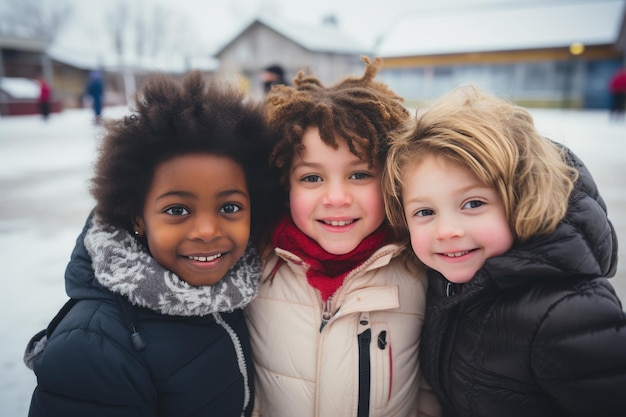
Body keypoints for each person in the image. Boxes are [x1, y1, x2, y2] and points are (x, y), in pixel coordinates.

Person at [24, 70, 282, 417]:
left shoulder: (241, 289)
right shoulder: (95, 346)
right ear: (136, 216)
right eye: (177, 210)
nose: (207, 231)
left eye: (230, 207)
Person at [383, 85, 626, 417]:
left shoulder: (567, 314)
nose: (447, 230)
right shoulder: (440, 285)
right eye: (425, 212)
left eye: (473, 203)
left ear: (521, 199)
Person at [245, 56, 439, 417]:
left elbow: (432, 386)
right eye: (312, 178)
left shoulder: (421, 266)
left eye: (359, 175)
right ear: (285, 184)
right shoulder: (254, 263)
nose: (336, 198)